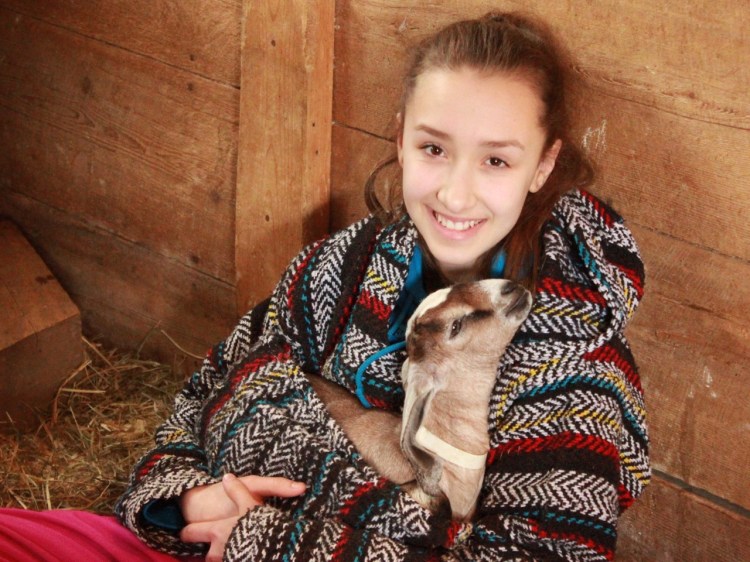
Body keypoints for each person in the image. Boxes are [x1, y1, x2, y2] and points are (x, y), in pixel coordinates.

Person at [0, 11, 649, 562]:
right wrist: (188, 501)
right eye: (433, 149)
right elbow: (200, 402)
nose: (455, 191)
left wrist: (275, 541)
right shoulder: (337, 269)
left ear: (544, 164)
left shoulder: (572, 358)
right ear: (400, 136)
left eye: (496, 160)